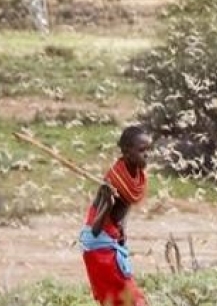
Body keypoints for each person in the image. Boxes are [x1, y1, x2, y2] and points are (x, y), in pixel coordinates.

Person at [79, 126, 151, 306]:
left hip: (112, 242)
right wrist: (108, 202)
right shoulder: (113, 180)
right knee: (132, 301)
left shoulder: (134, 176)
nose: (147, 154)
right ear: (127, 151)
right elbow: (96, 229)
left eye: (148, 150)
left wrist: (121, 229)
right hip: (100, 248)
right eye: (142, 150)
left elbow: (123, 210)